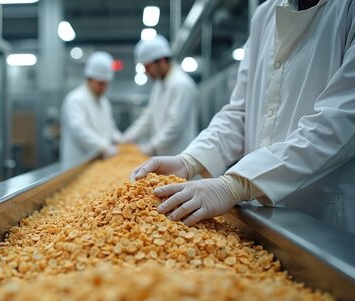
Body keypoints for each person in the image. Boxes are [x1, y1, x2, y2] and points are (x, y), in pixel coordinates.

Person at [131, 0, 355, 235]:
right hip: (260, 214)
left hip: (325, 216)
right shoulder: (264, 15)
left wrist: (239, 183)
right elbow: (240, 112)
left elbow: (342, 120)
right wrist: (191, 159)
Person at [122, 35, 198, 156]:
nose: (146, 72)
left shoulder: (181, 84)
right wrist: (126, 138)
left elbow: (174, 126)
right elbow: (148, 117)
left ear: (162, 61)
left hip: (180, 156)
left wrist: (151, 146)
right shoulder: (159, 85)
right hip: (164, 155)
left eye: (148, 67)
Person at [60, 51, 123, 167]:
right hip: (78, 163)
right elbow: (80, 130)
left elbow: (110, 128)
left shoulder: (104, 102)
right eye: (100, 83)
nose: (104, 88)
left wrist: (122, 140)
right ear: (89, 79)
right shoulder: (75, 99)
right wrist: (104, 147)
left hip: (99, 163)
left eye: (106, 84)